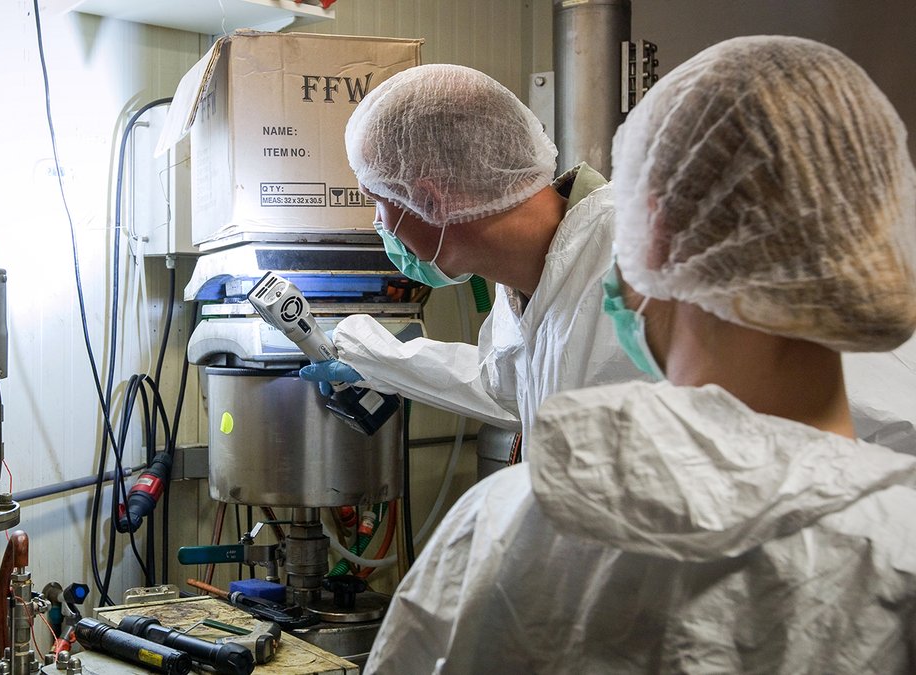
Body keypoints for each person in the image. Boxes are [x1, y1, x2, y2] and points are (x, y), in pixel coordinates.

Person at [366, 36, 916, 673]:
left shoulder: (508, 526)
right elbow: (504, 379)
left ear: (652, 234)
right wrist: (368, 351)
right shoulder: (896, 546)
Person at [300, 63, 646, 436]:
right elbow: (507, 386)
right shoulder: (527, 276)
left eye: (377, 198)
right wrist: (378, 361)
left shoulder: (642, 261)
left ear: (431, 200)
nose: (379, 223)